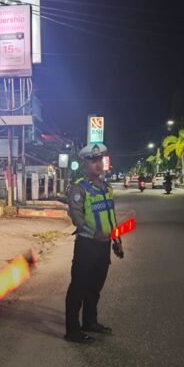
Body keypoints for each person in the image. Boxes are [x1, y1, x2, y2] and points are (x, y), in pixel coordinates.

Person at [64, 143, 124, 344]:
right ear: (85, 164)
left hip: (103, 246)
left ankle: (90, 322)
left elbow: (111, 217)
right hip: (87, 246)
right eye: (92, 161)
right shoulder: (79, 188)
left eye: (99, 160)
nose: (97, 164)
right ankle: (72, 331)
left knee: (95, 287)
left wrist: (117, 240)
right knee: (78, 288)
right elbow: (76, 216)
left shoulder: (106, 188)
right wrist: (90, 232)